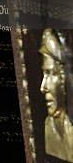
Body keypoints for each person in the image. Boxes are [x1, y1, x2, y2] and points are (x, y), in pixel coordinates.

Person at [40, 28, 73, 162]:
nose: (43, 87)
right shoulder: (48, 125)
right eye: (44, 74)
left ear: (65, 79)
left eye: (50, 73)